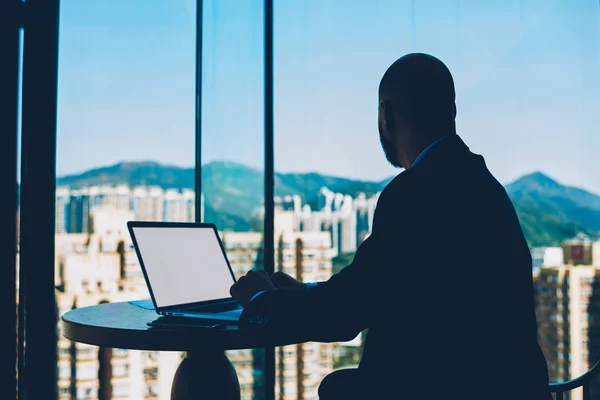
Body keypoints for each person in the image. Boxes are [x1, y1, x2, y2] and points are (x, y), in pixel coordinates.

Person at [230, 53, 551, 399]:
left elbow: (345, 314)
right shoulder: (485, 187)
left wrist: (261, 300)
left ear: (386, 114)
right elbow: (372, 285)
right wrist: (306, 291)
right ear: (452, 112)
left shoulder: (415, 191)